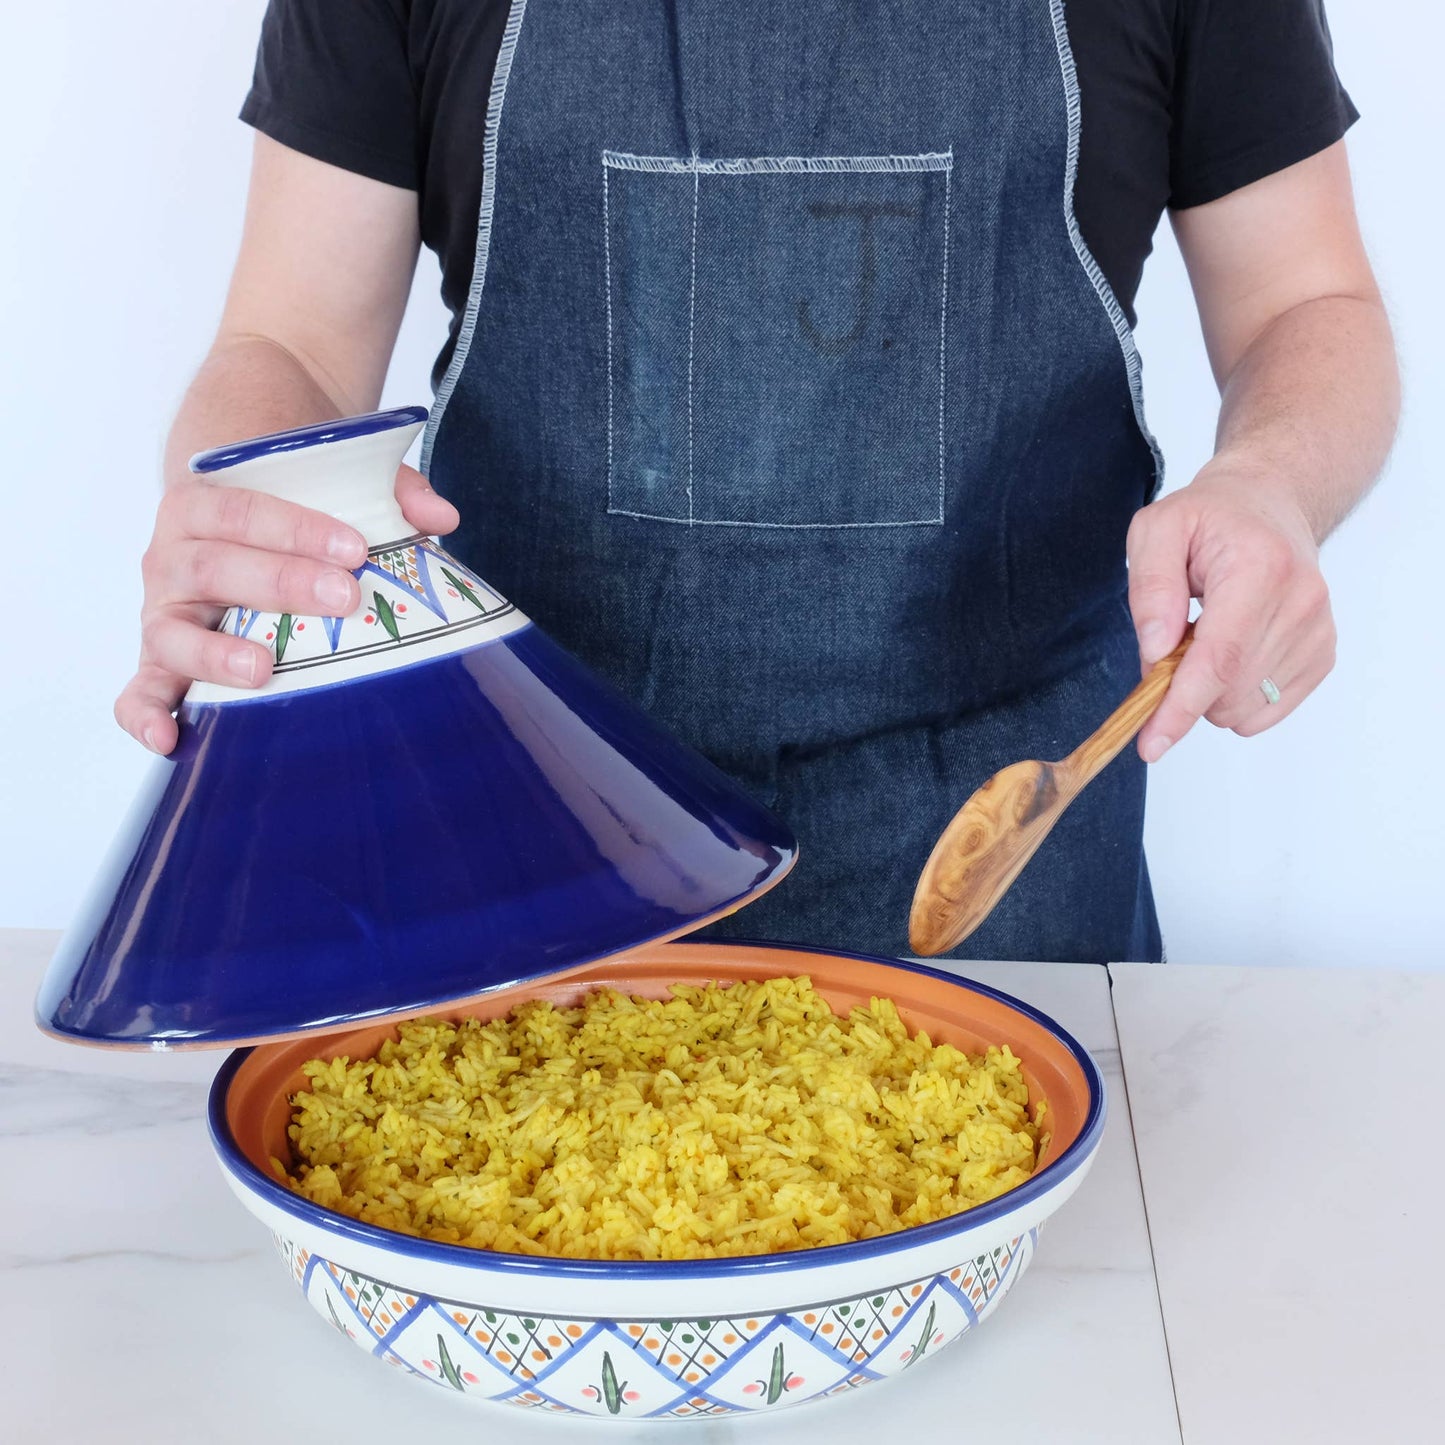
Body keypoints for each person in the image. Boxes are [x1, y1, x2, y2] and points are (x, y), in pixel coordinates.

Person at [114, 1, 1398, 962]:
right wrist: (242, 510)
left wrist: (1270, 483)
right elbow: (286, 342)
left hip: (1004, 870)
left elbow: (1308, 299)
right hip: (529, 856)